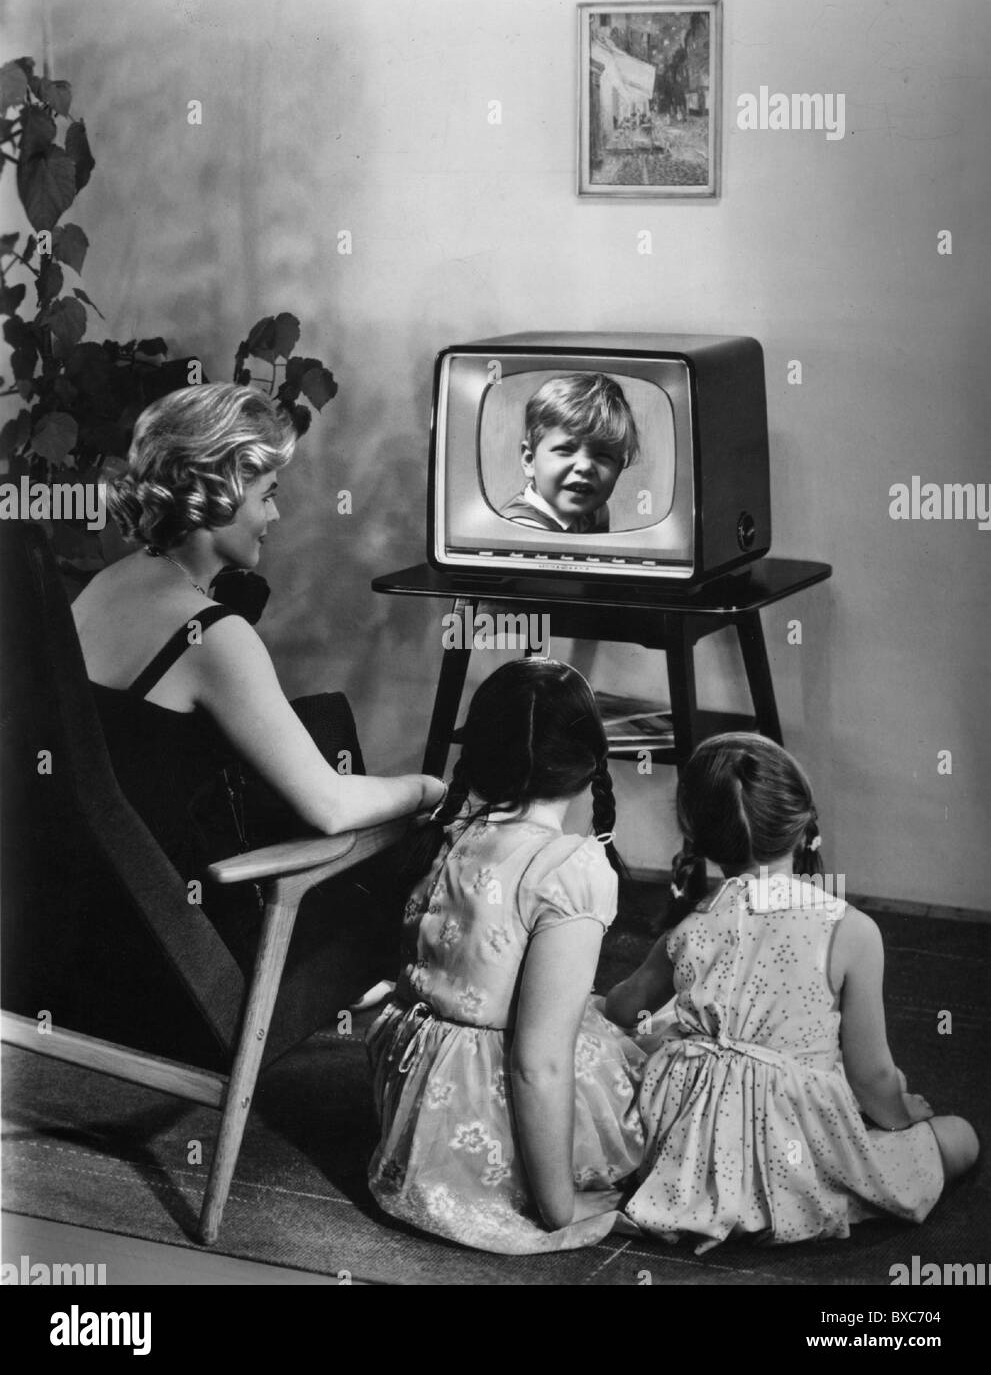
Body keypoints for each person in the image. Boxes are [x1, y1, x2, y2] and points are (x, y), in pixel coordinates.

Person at [72, 383, 445, 1056]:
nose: (276, 513)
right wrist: (423, 791)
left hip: (88, 940)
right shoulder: (213, 635)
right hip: (179, 972)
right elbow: (328, 807)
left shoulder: (105, 586)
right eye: (268, 491)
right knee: (408, 834)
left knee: (322, 719)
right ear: (218, 494)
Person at [605, 732, 978, 1253]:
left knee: (659, 1034)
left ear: (697, 835)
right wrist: (900, 1116)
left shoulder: (690, 922)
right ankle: (785, 1200)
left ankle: (711, 1195)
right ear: (802, 822)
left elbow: (625, 1006)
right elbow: (871, 1073)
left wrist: (600, 1006)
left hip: (688, 1152)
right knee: (961, 1137)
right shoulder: (851, 929)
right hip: (793, 1149)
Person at [366, 657, 645, 1253]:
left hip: (419, 1077)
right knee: (649, 1067)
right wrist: (558, 1210)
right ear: (591, 759)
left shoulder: (453, 827)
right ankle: (540, 1180)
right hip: (486, 1096)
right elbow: (536, 1064)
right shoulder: (570, 868)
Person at [500, 373, 640, 533]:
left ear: (618, 469)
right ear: (530, 460)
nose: (585, 466)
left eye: (602, 456)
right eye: (565, 450)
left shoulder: (596, 512)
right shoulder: (523, 528)